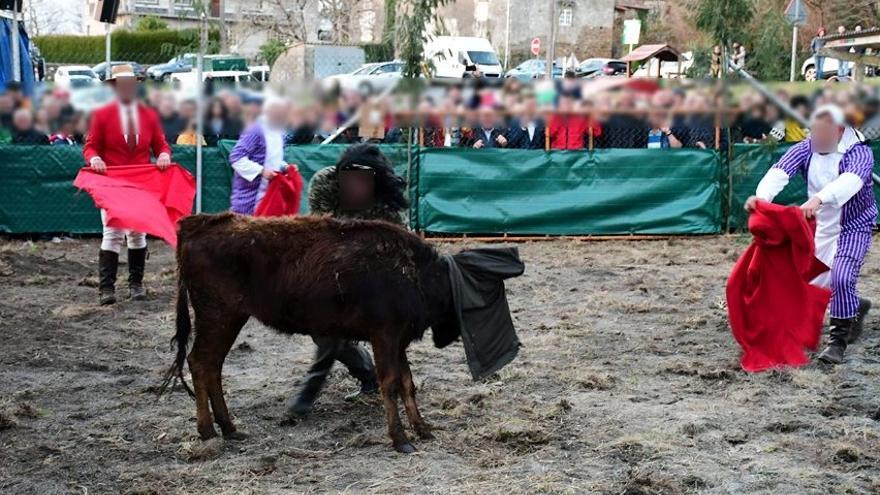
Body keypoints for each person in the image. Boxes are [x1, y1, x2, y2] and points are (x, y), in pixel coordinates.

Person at [745, 105, 875, 365]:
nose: (814, 138)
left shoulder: (859, 152)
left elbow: (849, 182)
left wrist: (818, 199)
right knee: (805, 281)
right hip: (817, 225)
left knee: (841, 275)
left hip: (853, 225)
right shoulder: (808, 147)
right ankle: (854, 305)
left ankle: (837, 342)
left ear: (839, 130)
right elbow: (780, 171)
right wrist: (762, 201)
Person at [287, 143, 410, 417]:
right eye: (350, 180)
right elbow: (319, 233)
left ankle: (311, 387)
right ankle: (367, 374)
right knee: (323, 329)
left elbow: (399, 251)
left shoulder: (388, 207)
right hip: (331, 268)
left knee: (331, 330)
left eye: (364, 182)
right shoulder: (325, 183)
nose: (356, 188)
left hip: (373, 276)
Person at [83, 64, 172, 305]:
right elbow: (90, 146)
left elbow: (161, 145)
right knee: (112, 233)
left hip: (140, 184)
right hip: (113, 184)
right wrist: (95, 158)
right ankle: (106, 289)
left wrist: (164, 155)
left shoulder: (148, 115)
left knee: (136, 232)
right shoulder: (102, 115)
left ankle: (136, 285)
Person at [227, 95, 295, 215]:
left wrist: (286, 167)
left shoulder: (280, 133)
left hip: (270, 195)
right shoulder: (255, 130)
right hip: (248, 198)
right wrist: (261, 171)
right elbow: (236, 157)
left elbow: (273, 160)